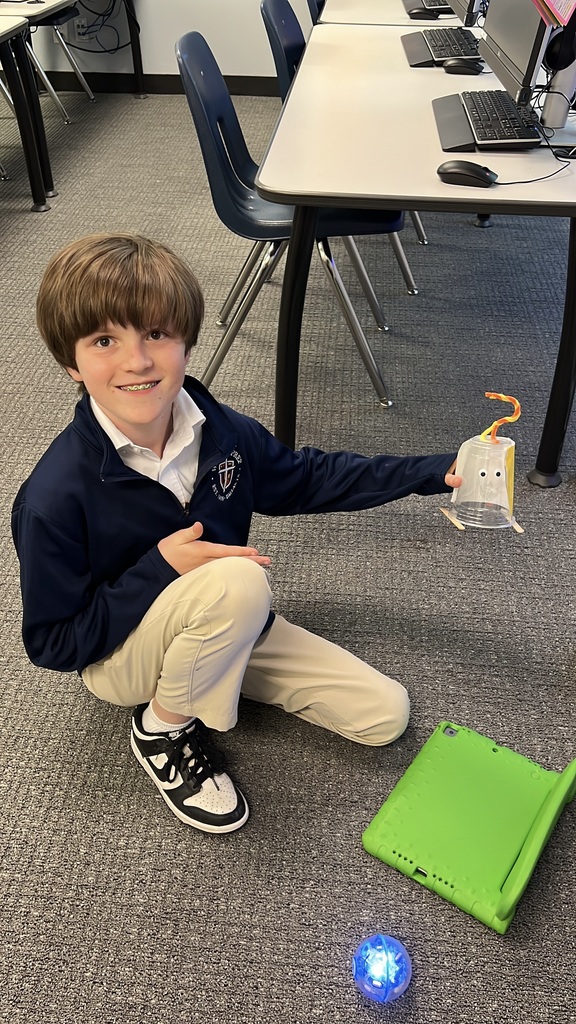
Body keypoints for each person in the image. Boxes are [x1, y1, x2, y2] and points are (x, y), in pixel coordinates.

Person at [12, 233, 461, 835]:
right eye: (103, 341)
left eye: (156, 334)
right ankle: (163, 729)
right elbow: (56, 645)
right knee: (239, 585)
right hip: (117, 655)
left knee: (385, 715)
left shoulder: (217, 428)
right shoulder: (52, 497)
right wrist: (159, 568)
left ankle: (212, 659)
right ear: (71, 364)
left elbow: (306, 478)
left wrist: (432, 472)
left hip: (221, 610)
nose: (137, 361)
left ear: (187, 343)